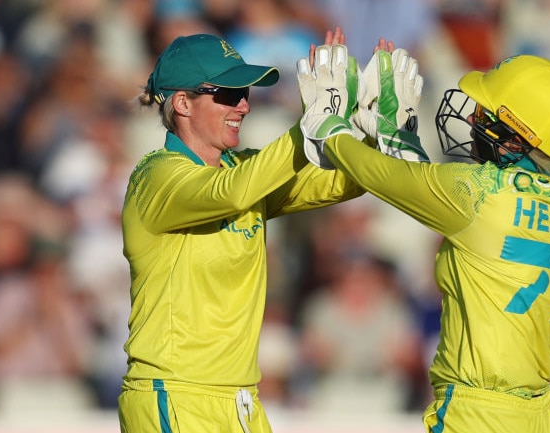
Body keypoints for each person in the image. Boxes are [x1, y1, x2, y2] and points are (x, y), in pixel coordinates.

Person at [299, 41, 550, 432]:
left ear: (517, 139)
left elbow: (384, 178)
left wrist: (330, 126)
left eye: (484, 114)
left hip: (478, 414)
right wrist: (395, 136)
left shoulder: (479, 192)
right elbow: (432, 189)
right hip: (539, 414)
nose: (472, 121)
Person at [117, 28, 366, 433]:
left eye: (246, 93)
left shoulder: (242, 170)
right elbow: (232, 194)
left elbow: (342, 182)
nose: (245, 106)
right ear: (182, 103)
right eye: (229, 95)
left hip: (241, 401)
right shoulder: (155, 176)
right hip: (175, 396)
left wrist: (375, 130)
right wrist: (310, 123)